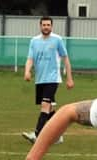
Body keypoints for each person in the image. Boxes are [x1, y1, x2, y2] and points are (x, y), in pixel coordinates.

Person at [22, 16, 74, 144]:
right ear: (40, 26)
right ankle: (58, 135)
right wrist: (27, 71)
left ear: (52, 26)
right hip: (40, 80)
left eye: (48, 25)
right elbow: (30, 58)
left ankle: (37, 135)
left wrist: (69, 78)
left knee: (45, 106)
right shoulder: (34, 41)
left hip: (53, 79)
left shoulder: (57, 40)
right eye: (44, 25)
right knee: (49, 108)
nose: (46, 27)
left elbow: (65, 59)